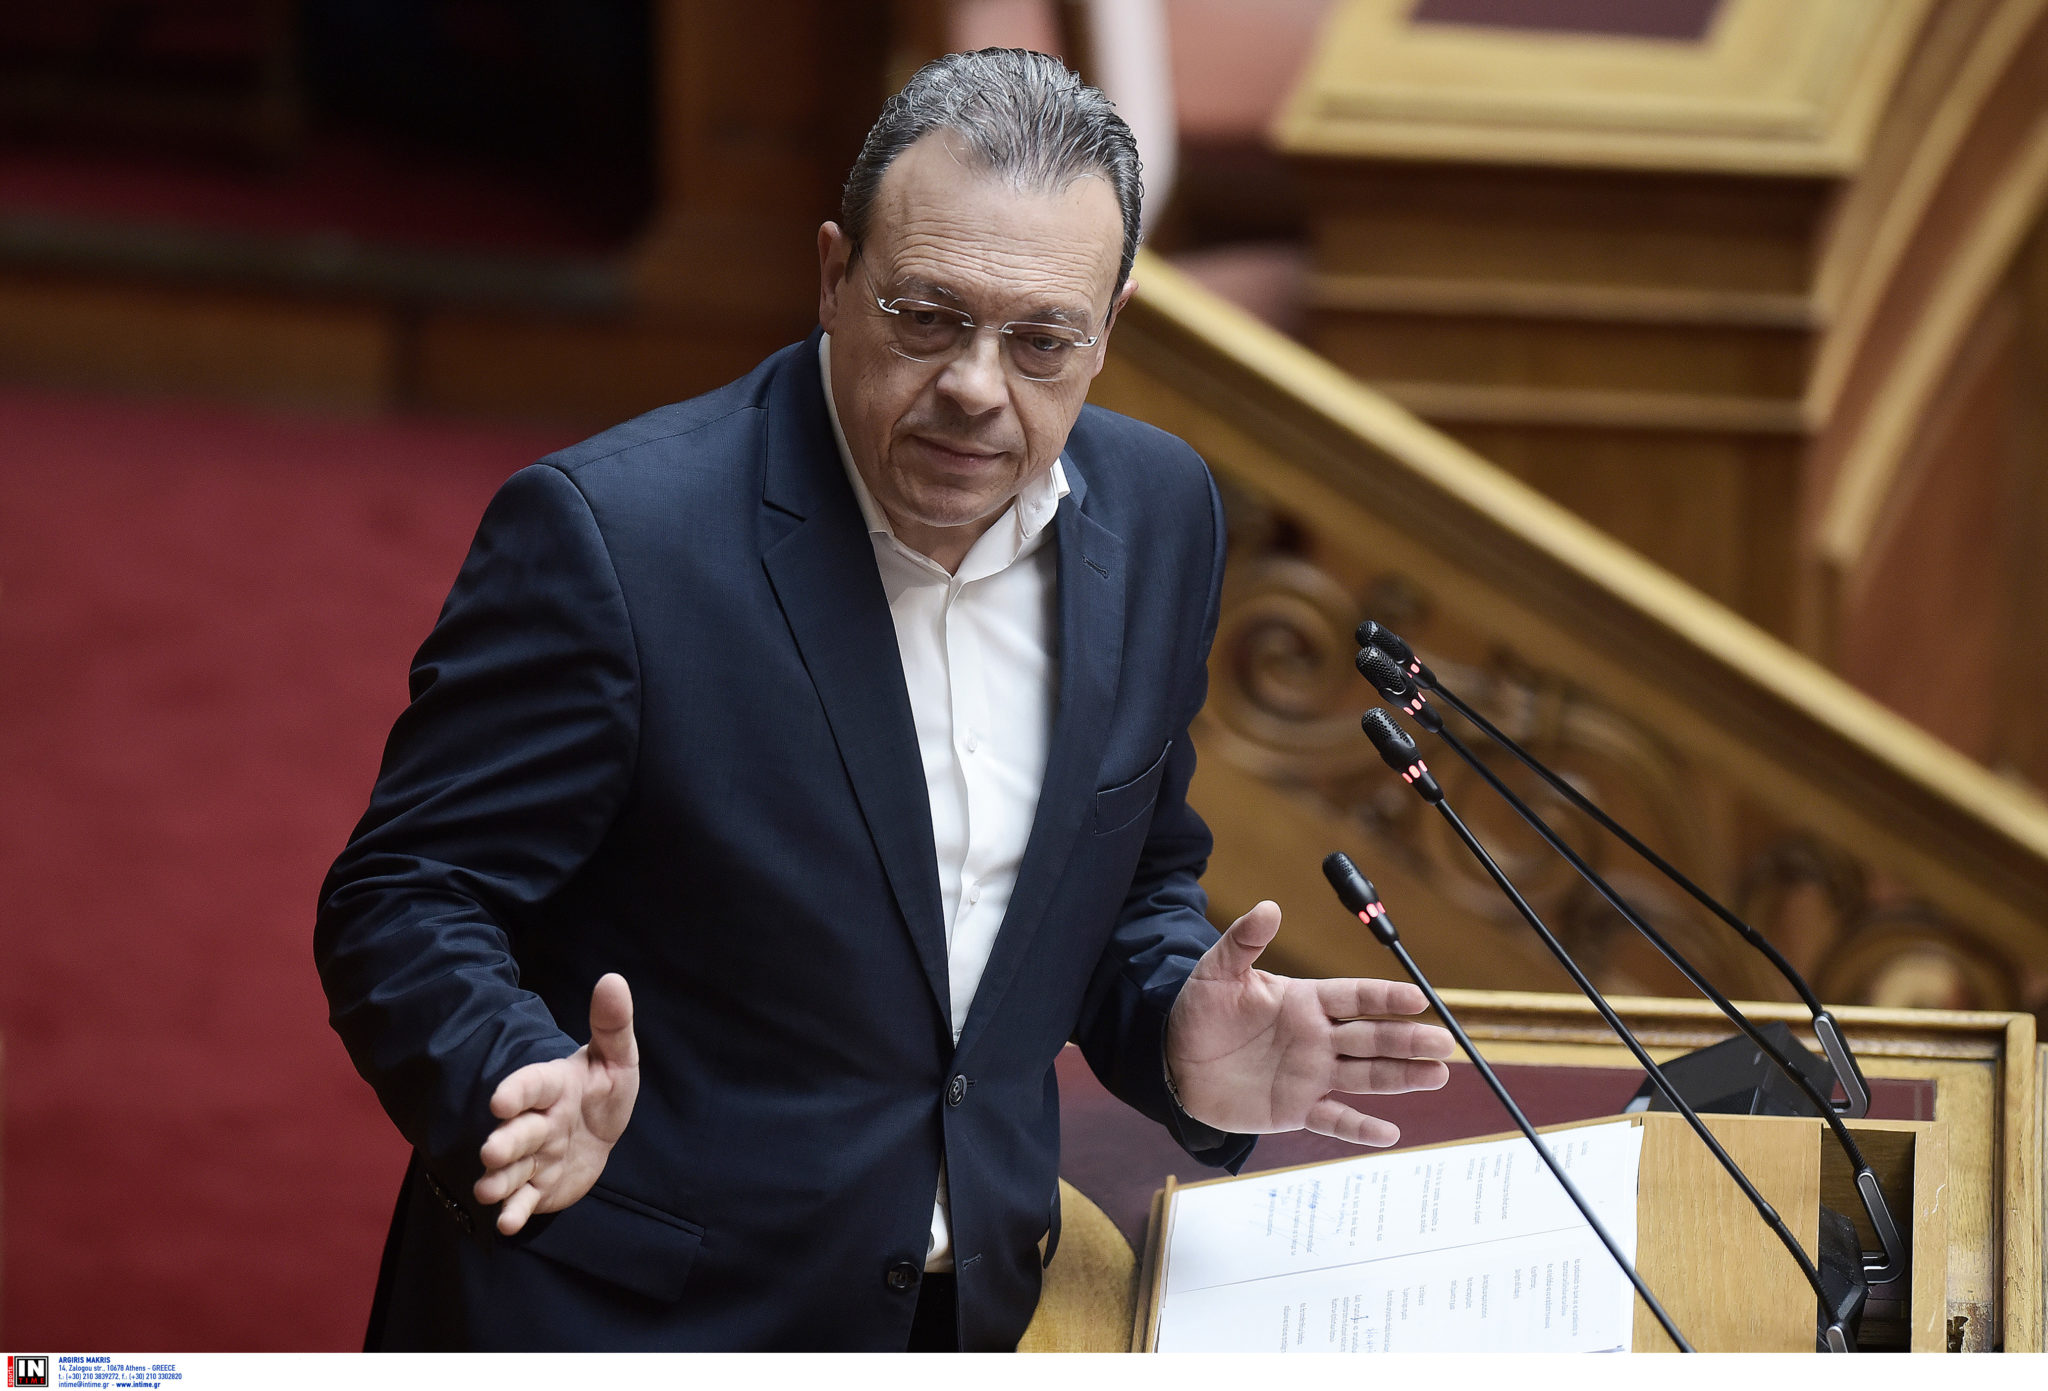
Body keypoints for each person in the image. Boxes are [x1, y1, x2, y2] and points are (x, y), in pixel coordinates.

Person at [315, 48, 1454, 1352]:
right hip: (631, 1311)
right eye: (927, 317)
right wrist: (506, 1072)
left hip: (968, 1312)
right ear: (833, 277)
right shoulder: (616, 542)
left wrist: (1173, 1031)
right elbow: (405, 894)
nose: (976, 385)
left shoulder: (1161, 515)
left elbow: (1125, 879)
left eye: (1041, 341)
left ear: (1111, 327)